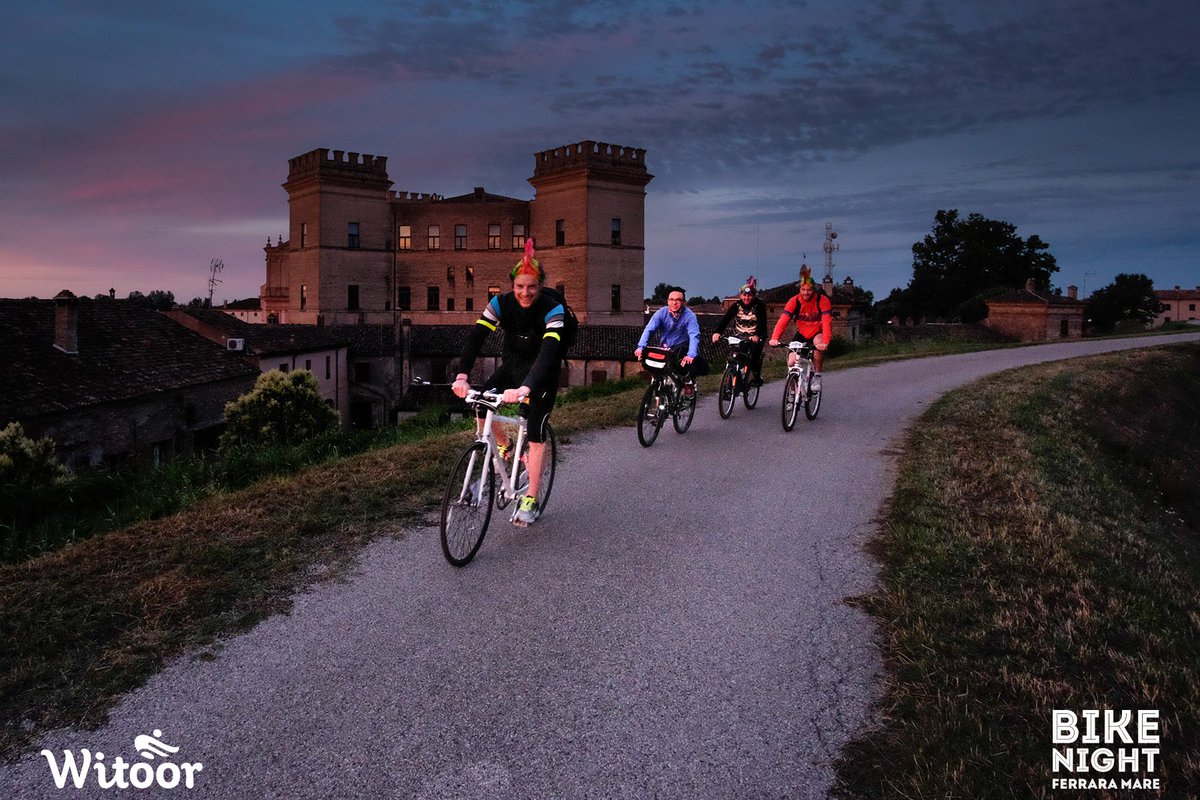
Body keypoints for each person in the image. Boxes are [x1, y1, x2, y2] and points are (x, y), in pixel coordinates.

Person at [452, 240, 564, 527]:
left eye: (532, 287)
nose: (525, 293)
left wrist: (527, 387)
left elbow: (549, 351)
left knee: (536, 432)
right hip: (511, 368)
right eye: (519, 287)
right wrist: (462, 374)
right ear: (512, 285)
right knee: (480, 403)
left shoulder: (553, 309)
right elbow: (477, 336)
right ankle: (504, 446)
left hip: (542, 374)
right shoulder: (500, 303)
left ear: (540, 286)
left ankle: (531, 498)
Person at [768, 265, 833, 392]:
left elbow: (826, 322)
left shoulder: (822, 300)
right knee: (791, 363)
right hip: (802, 333)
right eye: (803, 289)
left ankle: (817, 376)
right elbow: (783, 320)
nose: (805, 293)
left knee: (818, 345)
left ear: (813, 289)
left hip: (817, 332)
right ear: (800, 289)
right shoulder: (794, 301)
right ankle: (792, 392)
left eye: (809, 290)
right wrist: (775, 338)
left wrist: (825, 342)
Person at [635, 287, 703, 396]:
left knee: (680, 364)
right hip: (665, 346)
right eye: (671, 299)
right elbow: (649, 329)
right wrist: (641, 347)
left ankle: (688, 382)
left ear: (683, 302)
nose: (674, 302)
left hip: (682, 346)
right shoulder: (661, 313)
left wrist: (691, 355)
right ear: (667, 301)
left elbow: (694, 336)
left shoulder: (690, 316)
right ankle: (659, 394)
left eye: (678, 300)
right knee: (655, 366)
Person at [711, 276, 767, 386]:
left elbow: (762, 322)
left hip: (756, 335)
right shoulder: (736, 305)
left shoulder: (759, 305)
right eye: (744, 295)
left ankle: (756, 376)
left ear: (753, 295)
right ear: (740, 295)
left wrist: (756, 335)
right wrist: (717, 332)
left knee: (754, 355)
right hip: (740, 334)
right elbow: (726, 319)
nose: (747, 298)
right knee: (736, 354)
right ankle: (732, 379)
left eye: (750, 295)